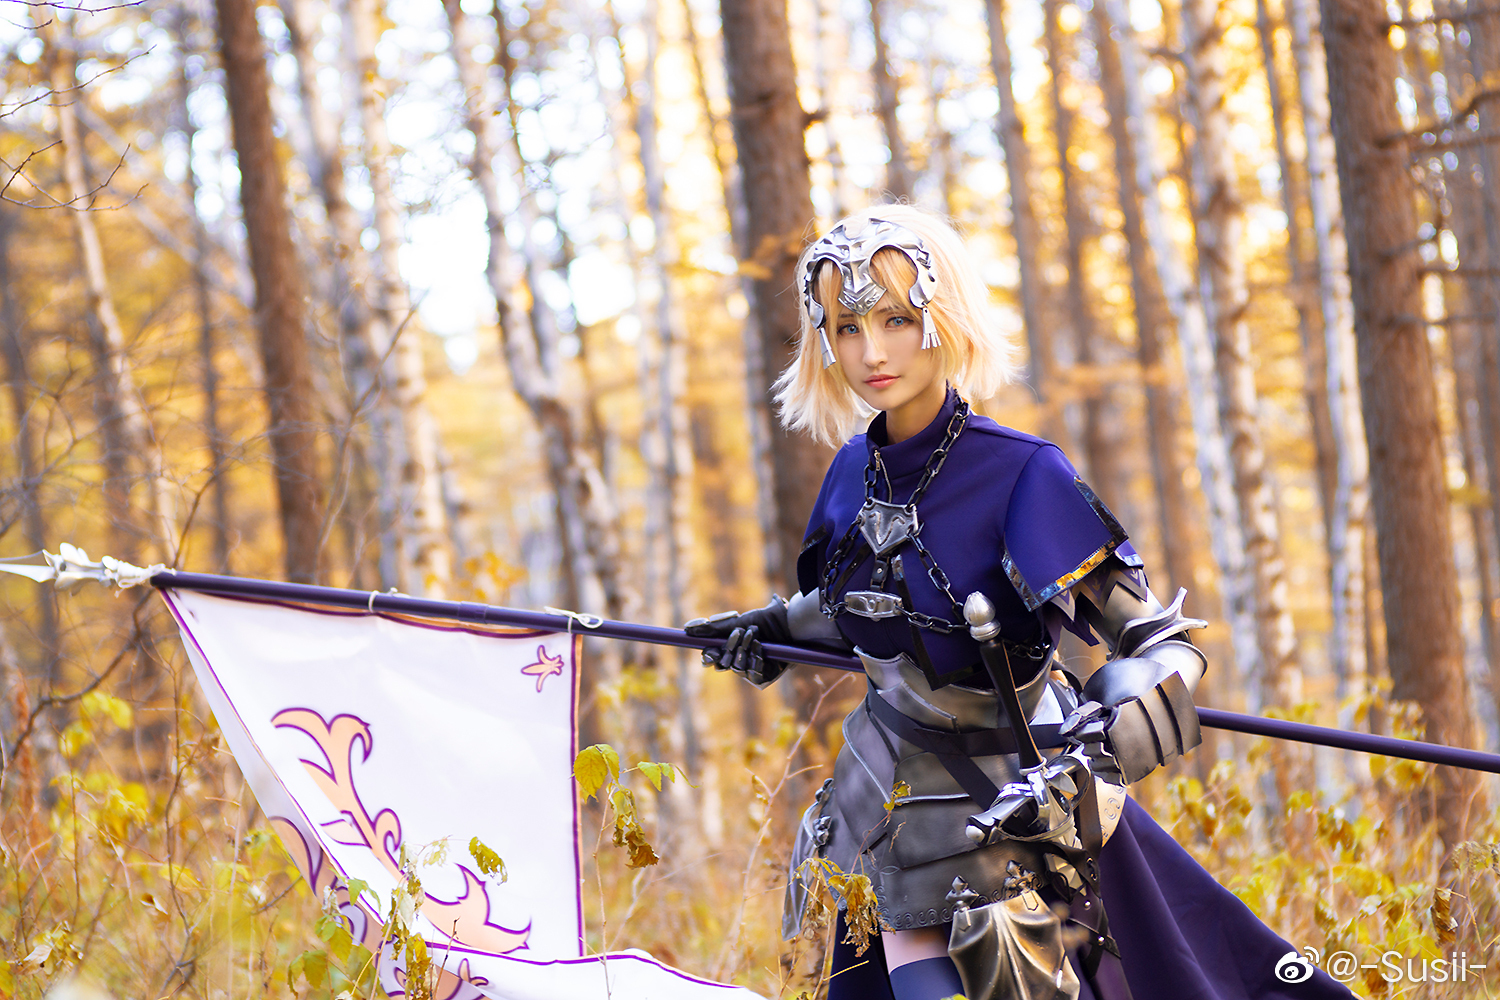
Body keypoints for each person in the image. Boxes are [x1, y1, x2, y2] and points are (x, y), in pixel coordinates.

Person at [686, 206, 1354, 1000]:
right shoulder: (850, 471)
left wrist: (1110, 732)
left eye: (896, 319)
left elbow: (1157, 638)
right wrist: (772, 628)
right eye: (847, 327)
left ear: (943, 315)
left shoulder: (1022, 471)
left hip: (1007, 821)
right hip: (877, 809)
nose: (872, 352)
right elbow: (867, 609)